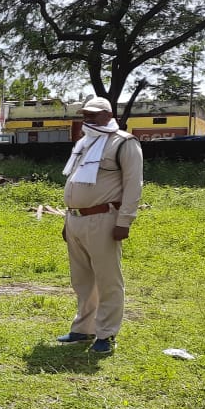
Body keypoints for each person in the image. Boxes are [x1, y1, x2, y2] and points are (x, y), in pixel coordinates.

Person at [58, 97, 143, 355]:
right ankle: (84, 328)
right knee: (82, 279)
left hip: (104, 218)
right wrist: (67, 219)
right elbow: (75, 182)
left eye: (94, 114)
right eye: (86, 114)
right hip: (76, 219)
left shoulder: (123, 143)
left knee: (108, 279)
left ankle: (106, 334)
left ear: (108, 114)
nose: (89, 119)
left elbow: (133, 184)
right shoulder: (84, 142)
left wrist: (124, 220)